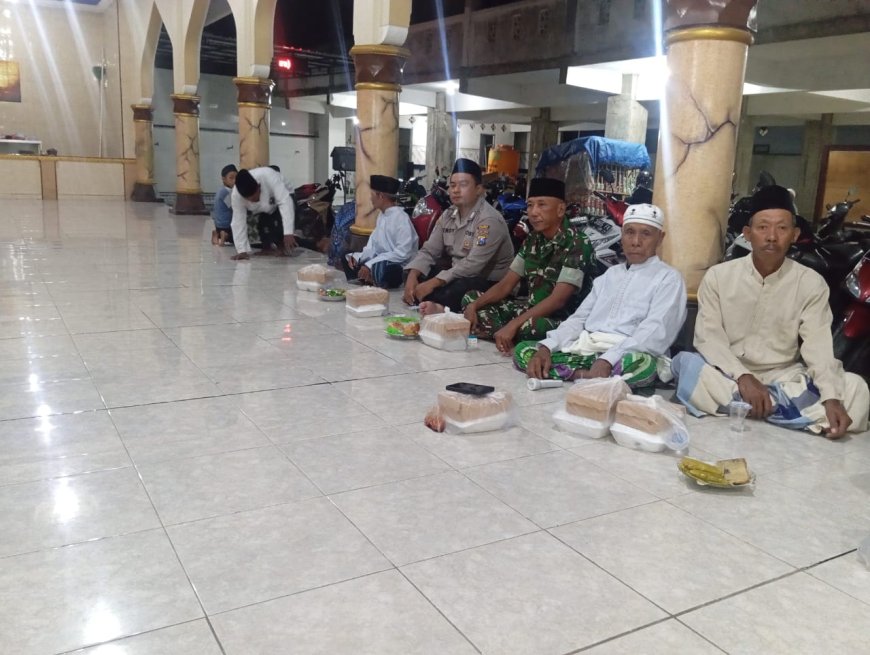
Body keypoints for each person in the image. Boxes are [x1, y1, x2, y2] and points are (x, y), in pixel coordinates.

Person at [672, 185, 869, 438]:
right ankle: (787, 411)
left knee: (855, 388)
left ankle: (753, 406)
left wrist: (831, 396)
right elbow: (708, 336)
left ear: (795, 234)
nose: (772, 236)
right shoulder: (719, 277)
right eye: (763, 227)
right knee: (687, 365)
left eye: (782, 228)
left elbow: (818, 346)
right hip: (729, 372)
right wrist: (742, 376)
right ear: (747, 233)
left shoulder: (810, 283)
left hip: (783, 375)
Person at [517, 203, 687, 388]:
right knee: (524, 350)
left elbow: (655, 332)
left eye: (646, 234)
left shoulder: (669, 278)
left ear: (660, 238)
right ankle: (588, 375)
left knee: (643, 366)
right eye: (629, 232)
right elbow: (579, 319)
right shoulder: (610, 275)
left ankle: (571, 373)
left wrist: (608, 359)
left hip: (627, 353)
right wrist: (547, 347)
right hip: (588, 348)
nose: (636, 241)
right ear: (622, 235)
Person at [461, 177, 595, 355]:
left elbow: (558, 300)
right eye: (530, 205)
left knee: (529, 328)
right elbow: (506, 285)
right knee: (471, 298)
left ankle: (506, 333)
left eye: (541, 205)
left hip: (563, 320)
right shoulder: (533, 239)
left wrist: (514, 324)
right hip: (531, 310)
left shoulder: (577, 243)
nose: (533, 212)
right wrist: (474, 306)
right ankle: (509, 335)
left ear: (561, 209)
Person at [403, 158, 513, 314]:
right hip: (456, 274)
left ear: (479, 189)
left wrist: (435, 282)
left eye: (463, 185)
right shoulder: (448, 215)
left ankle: (440, 307)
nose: (455, 190)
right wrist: (413, 275)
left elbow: (473, 265)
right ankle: (433, 301)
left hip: (488, 281)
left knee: (459, 288)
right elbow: (429, 250)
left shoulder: (488, 220)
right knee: (420, 274)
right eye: (452, 185)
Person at [343, 174, 418, 288]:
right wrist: (359, 258)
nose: (370, 198)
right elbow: (373, 246)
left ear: (381, 196)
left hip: (396, 265)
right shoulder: (381, 216)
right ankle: (367, 277)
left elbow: (402, 254)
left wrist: (370, 264)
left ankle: (371, 277)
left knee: (382, 268)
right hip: (380, 259)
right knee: (347, 257)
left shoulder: (401, 218)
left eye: (372, 194)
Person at [229, 167, 297, 260]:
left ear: (259, 186)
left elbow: (285, 202)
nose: (255, 201)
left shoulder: (269, 176)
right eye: (251, 200)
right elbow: (238, 221)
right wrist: (242, 250)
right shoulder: (236, 195)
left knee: (279, 223)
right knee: (263, 224)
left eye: (255, 197)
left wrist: (288, 233)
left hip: (285, 194)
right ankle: (267, 247)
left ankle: (282, 246)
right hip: (265, 207)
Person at [211, 164, 237, 246]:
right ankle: (224, 235)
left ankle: (218, 235)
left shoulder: (221, 190)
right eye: (231, 178)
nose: (234, 180)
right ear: (224, 179)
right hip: (225, 225)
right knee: (237, 238)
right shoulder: (225, 192)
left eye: (236, 177)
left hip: (218, 225)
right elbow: (234, 207)